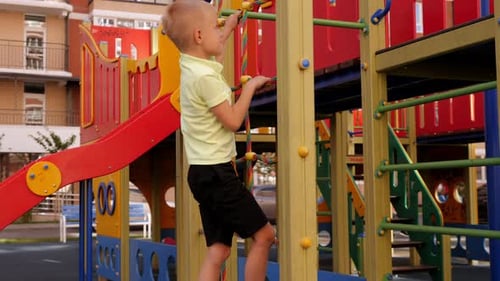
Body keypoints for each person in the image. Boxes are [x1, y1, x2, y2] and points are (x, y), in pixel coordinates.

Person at [162, 1, 276, 281]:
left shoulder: (191, 63)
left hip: (201, 173)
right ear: (200, 36)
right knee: (264, 235)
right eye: (215, 26)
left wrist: (228, 26)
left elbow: (212, 44)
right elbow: (234, 121)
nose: (219, 31)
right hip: (217, 174)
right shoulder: (206, 79)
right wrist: (249, 87)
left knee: (219, 251)